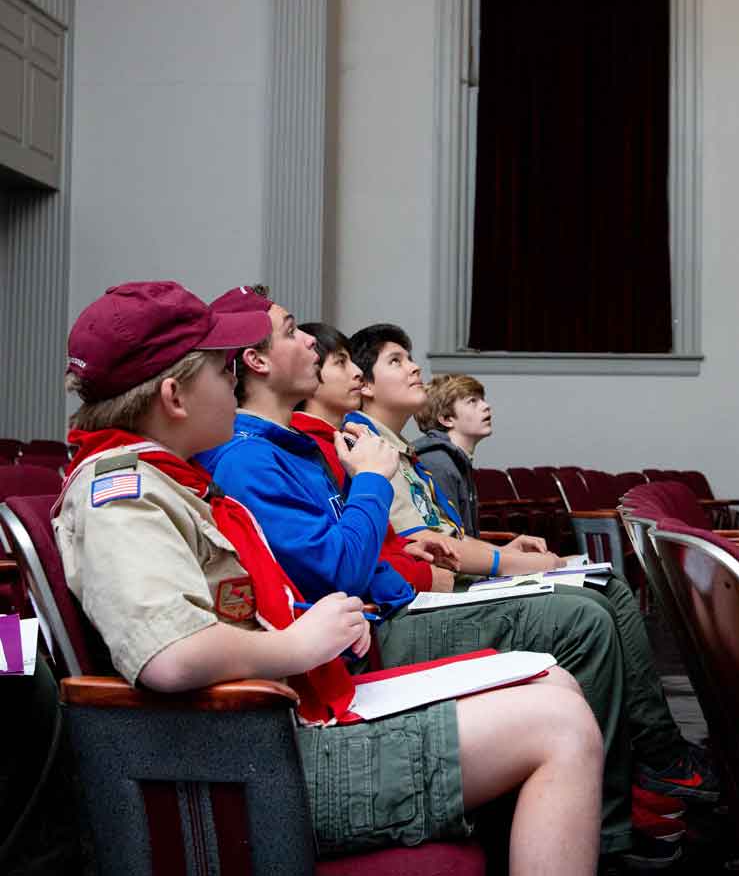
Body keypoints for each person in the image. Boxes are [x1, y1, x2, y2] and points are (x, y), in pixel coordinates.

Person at [52, 281, 603, 872]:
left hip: (275, 733)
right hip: (251, 771)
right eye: (220, 371)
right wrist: (300, 641)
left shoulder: (170, 479)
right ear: (174, 398)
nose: (232, 383)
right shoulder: (122, 493)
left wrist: (316, 623)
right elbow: (169, 653)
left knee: (555, 686)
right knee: (561, 727)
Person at [198, 287, 667, 864]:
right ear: (257, 361)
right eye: (293, 330)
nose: (309, 343)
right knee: (581, 623)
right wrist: (373, 484)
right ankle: (607, 835)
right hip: (357, 643)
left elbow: (374, 553)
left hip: (372, 619)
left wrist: (403, 571)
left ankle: (579, 819)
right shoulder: (251, 457)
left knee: (583, 625)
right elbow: (340, 569)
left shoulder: (291, 448)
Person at [347, 324, 718, 806]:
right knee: (592, 608)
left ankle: (647, 761)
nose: (415, 367)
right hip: (422, 601)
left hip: (442, 583)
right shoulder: (379, 452)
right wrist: (510, 562)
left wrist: (503, 551)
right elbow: (427, 546)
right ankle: (640, 774)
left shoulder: (409, 454)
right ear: (366, 383)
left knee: (603, 589)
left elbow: (443, 539)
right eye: (396, 361)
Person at [293, 321, 437, 595]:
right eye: (340, 363)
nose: (358, 373)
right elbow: (340, 560)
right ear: (310, 372)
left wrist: (405, 551)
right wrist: (421, 575)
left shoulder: (344, 440)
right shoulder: (309, 447)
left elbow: (374, 537)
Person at [412, 373, 491, 536]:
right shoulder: (437, 464)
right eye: (472, 401)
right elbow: (449, 541)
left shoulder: (455, 460)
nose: (486, 406)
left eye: (482, 399)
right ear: (447, 419)